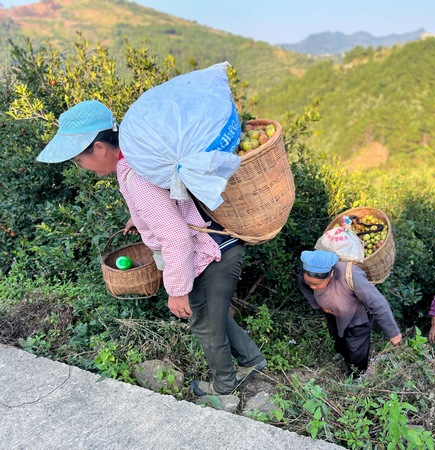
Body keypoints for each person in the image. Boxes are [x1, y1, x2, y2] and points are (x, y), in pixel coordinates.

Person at [36, 100, 266, 396]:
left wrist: (177, 290)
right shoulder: (135, 158)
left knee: (205, 325)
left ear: (100, 149)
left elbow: (176, 237)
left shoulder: (135, 175)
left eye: (79, 160)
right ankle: (252, 360)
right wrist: (140, 215)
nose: (82, 167)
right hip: (218, 241)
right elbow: (163, 197)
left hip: (210, 253)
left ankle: (225, 390)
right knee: (211, 314)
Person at [298, 249, 402, 376]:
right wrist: (318, 305)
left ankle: (357, 378)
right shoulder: (307, 276)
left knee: (356, 350)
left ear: (330, 275)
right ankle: (346, 362)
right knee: (339, 340)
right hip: (334, 315)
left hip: (357, 318)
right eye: (310, 283)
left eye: (316, 284)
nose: (312, 287)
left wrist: (393, 332)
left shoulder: (351, 275)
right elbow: (303, 285)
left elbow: (377, 303)